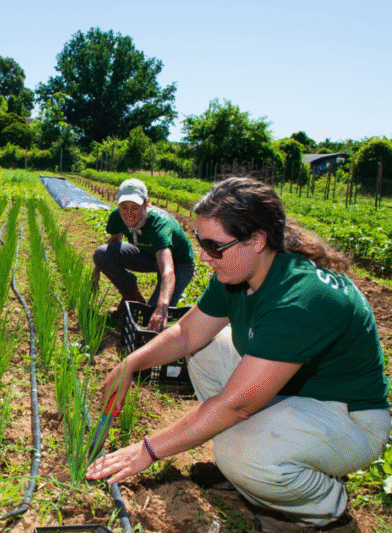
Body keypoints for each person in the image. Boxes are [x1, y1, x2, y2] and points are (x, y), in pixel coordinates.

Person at [87, 177, 390, 532]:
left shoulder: (302, 296)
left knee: (239, 450)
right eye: (201, 243)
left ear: (257, 239)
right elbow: (187, 333)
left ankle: (326, 512)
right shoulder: (239, 268)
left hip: (349, 417)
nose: (203, 257)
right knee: (205, 348)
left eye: (214, 246)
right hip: (297, 392)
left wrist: (148, 451)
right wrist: (131, 363)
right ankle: (254, 463)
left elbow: (237, 404)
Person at [92, 178, 195, 331]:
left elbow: (168, 270)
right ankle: (132, 296)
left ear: (146, 204)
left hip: (178, 264)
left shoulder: (160, 225)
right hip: (147, 255)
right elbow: (114, 241)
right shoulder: (117, 216)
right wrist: (97, 270)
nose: (129, 213)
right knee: (101, 255)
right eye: (124, 206)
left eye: (135, 207)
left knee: (150, 318)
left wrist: (161, 308)